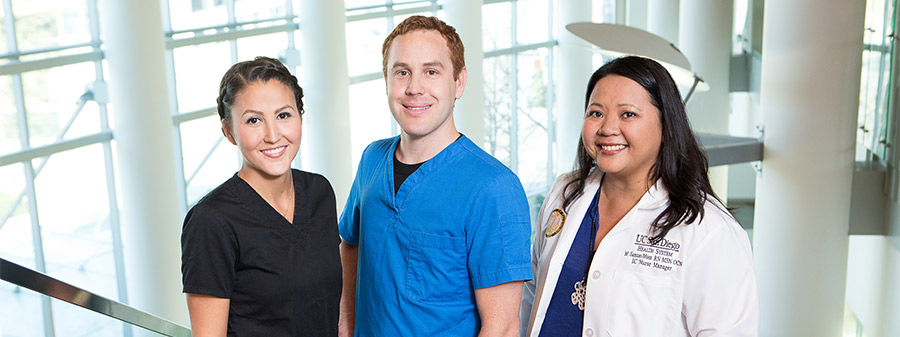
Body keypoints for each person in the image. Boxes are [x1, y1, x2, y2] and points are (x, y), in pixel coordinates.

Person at [520, 56, 759, 337]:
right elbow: (532, 295)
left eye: (628, 114)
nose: (607, 128)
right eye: (596, 113)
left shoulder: (708, 230)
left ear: (666, 125)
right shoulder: (564, 193)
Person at [338, 15, 532, 337]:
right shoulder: (372, 159)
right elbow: (350, 244)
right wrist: (346, 326)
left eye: (431, 72)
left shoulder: (494, 188)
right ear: (386, 82)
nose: (415, 88)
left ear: (458, 82)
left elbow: (503, 327)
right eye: (402, 72)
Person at [181, 56, 341, 336]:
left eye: (283, 115)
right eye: (253, 120)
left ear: (300, 117)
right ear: (228, 131)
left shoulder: (319, 192)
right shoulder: (211, 221)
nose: (272, 135)